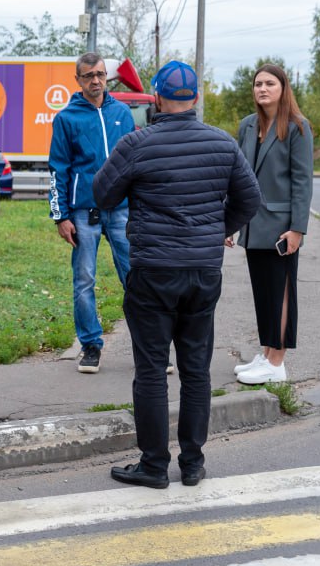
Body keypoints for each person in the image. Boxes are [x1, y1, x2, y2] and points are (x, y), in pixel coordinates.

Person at [94, 61, 260, 488]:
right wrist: (215, 230)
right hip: (203, 272)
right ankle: (192, 463)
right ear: (196, 98)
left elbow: (103, 193)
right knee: (196, 369)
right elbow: (250, 200)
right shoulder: (223, 144)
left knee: (150, 370)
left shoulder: (137, 143)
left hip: (153, 270)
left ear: (157, 98)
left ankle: (153, 465)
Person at [227, 63, 314, 385]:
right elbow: (238, 178)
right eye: (258, 83)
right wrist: (228, 222)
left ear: (283, 88)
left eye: (270, 84)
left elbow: (303, 182)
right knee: (263, 294)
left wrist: (298, 229)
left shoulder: (297, 127)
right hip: (252, 225)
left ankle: (277, 362)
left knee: (281, 294)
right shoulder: (247, 126)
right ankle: (266, 354)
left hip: (281, 229)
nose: (262, 89)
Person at [48, 51, 133, 374]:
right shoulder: (67, 118)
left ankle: (149, 346)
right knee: (84, 280)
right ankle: (91, 346)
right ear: (78, 80)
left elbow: (134, 163)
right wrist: (61, 217)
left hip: (123, 211)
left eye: (99, 74)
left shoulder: (122, 114)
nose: (95, 80)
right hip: (84, 213)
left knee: (136, 278)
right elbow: (58, 169)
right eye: (88, 76)